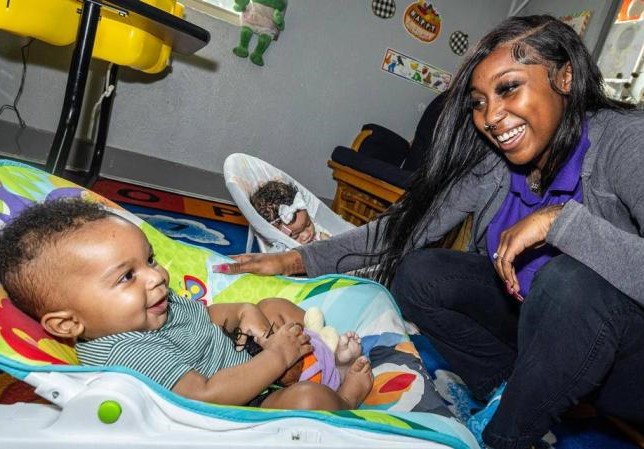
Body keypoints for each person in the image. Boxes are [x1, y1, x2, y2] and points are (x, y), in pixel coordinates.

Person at [213, 15, 644, 449]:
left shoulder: (625, 143)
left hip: (625, 361)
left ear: (565, 76)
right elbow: (406, 227)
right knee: (419, 274)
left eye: (508, 87)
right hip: (536, 331)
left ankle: (507, 435)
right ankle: (526, 389)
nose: (491, 116)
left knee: (569, 281)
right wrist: (293, 260)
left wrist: (559, 222)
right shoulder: (496, 162)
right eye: (479, 102)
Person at [0, 198, 373, 410]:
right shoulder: (125, 352)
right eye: (127, 276)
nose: (156, 276)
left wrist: (248, 315)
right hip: (243, 401)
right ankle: (344, 398)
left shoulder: (151, 306)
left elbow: (210, 316)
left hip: (246, 354)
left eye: (148, 259)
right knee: (307, 402)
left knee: (273, 302)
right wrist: (275, 358)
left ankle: (328, 359)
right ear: (67, 324)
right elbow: (205, 394)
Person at [250, 180, 330, 244]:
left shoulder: (315, 234)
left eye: (308, 224)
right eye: (296, 236)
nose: (307, 235)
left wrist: (327, 240)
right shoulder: (286, 253)